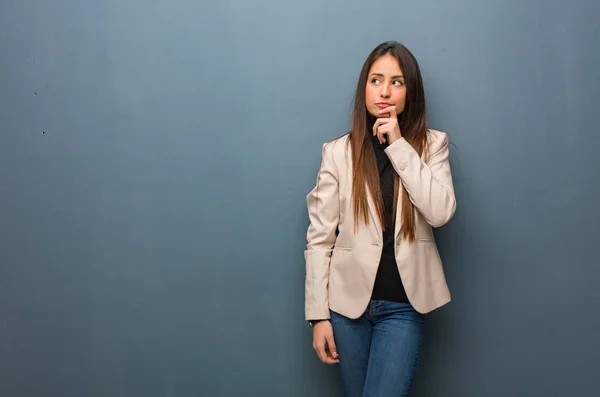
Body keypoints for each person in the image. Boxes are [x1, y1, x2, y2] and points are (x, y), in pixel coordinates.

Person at [303, 41, 457, 397]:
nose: (385, 91)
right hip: (345, 310)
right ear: (364, 88)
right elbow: (319, 239)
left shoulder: (433, 145)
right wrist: (318, 316)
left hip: (403, 308)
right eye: (376, 80)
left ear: (410, 92)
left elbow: (440, 212)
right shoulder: (338, 152)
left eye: (397, 82)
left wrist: (399, 145)